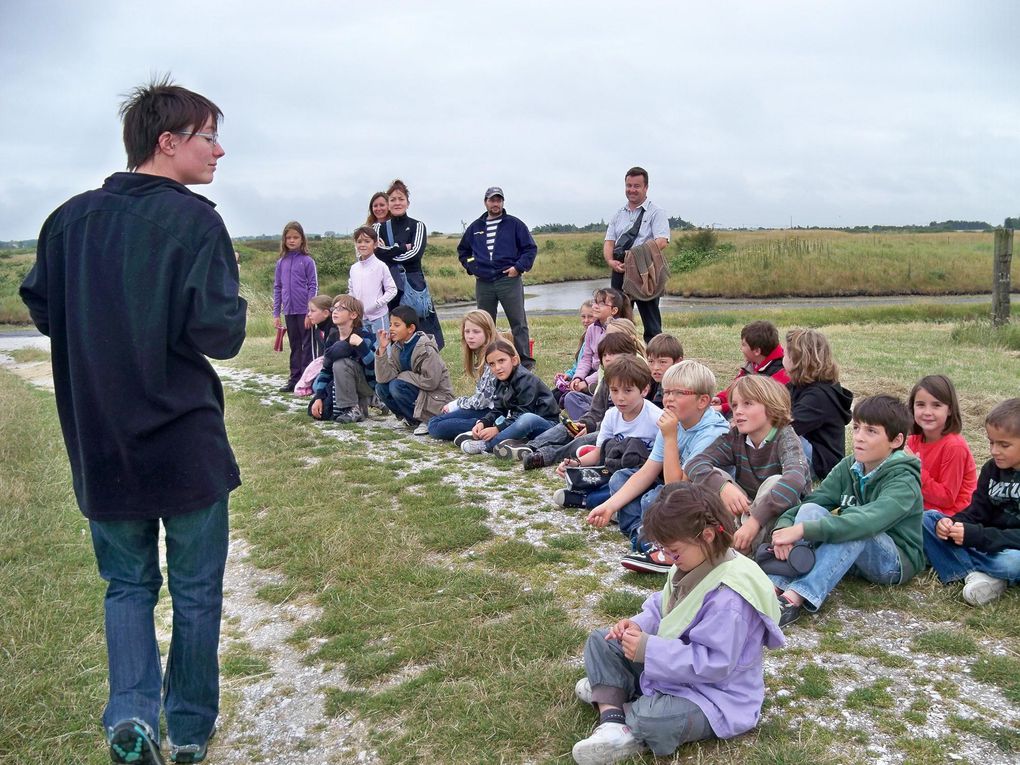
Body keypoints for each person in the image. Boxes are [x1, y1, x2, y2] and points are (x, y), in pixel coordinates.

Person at [20, 77, 246, 765]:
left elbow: (43, 308)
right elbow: (221, 332)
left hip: (101, 440)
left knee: (127, 585)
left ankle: (131, 715)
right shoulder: (195, 221)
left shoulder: (66, 222)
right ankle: (187, 730)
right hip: (184, 441)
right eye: (209, 136)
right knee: (197, 588)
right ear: (167, 141)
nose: (220, 150)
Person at [571, 483, 784, 765]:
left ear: (707, 536)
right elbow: (663, 608)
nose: (668, 557)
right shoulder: (690, 562)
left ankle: (615, 703)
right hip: (674, 670)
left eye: (672, 550)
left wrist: (649, 650)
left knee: (653, 717)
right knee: (602, 641)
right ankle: (613, 721)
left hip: (715, 696)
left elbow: (714, 664)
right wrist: (634, 626)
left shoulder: (730, 598)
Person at [768, 395, 924, 627]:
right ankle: (773, 585)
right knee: (812, 509)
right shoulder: (850, 466)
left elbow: (867, 522)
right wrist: (785, 528)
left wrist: (803, 530)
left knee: (853, 527)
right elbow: (814, 502)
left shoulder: (904, 480)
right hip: (854, 553)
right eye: (857, 428)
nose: (859, 437)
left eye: (871, 431)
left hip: (892, 561)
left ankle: (795, 598)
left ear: (896, 440)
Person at [587, 360, 730, 574]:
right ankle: (646, 537)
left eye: (679, 393)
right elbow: (648, 471)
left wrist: (670, 436)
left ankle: (659, 545)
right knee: (621, 478)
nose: (669, 399)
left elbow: (678, 489)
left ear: (703, 401)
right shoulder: (675, 420)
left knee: (653, 498)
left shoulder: (712, 432)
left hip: (701, 501)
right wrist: (609, 506)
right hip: (674, 489)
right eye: (667, 391)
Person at [686, 376, 811, 554]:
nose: (738, 411)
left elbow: (795, 479)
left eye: (747, 404)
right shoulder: (736, 437)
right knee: (713, 475)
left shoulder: (786, 437)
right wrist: (723, 487)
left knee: (775, 481)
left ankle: (740, 549)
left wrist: (755, 520)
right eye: (735, 405)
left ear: (771, 406)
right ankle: (733, 541)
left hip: (779, 522)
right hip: (744, 515)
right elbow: (695, 464)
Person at [922, 398, 1020, 606]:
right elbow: (977, 511)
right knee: (928, 519)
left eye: (1004, 445)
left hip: (1009, 549)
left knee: (1012, 563)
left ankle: (966, 568)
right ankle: (978, 577)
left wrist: (978, 536)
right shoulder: (991, 469)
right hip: (984, 544)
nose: (994, 451)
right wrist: (954, 523)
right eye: (991, 442)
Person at [519, 332, 644, 470]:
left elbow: (628, 421)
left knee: (588, 438)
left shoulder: (637, 380)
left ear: (629, 355)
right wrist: (585, 424)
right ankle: (529, 447)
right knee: (568, 427)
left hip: (619, 434)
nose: (607, 359)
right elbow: (595, 412)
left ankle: (547, 455)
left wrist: (592, 428)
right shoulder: (607, 381)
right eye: (604, 355)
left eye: (613, 354)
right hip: (601, 424)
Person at [552, 356, 663, 511]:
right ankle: (607, 502)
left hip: (646, 473)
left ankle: (587, 500)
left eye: (628, 390)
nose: (620, 397)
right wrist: (576, 464)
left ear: (644, 390)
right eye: (614, 390)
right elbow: (598, 453)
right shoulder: (611, 415)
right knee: (596, 475)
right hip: (616, 466)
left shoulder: (657, 418)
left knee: (622, 483)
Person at [457, 186, 538, 368]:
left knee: (518, 322)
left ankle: (525, 361)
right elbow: (464, 251)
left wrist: (518, 268)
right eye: (492, 200)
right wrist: (473, 266)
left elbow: (530, 249)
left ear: (502, 202)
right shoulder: (475, 227)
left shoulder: (514, 224)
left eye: (498, 200)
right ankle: (485, 360)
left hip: (508, 279)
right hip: (484, 282)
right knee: (484, 323)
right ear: (485, 202)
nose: (495, 203)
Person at [455, 339, 560, 456]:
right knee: (510, 420)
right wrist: (484, 422)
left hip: (547, 426)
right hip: (524, 427)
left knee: (527, 418)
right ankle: (515, 443)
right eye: (492, 364)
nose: (497, 367)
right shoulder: (500, 380)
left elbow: (523, 413)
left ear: (514, 360)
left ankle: (487, 445)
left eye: (501, 361)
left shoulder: (526, 379)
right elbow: (499, 409)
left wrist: (497, 429)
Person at [374, 179, 445, 348]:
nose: (397, 203)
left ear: (407, 202)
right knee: (393, 328)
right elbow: (377, 253)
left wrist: (389, 252)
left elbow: (415, 254)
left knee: (420, 326)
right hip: (388, 284)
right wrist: (400, 248)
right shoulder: (378, 228)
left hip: (412, 284)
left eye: (401, 199)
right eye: (393, 199)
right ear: (388, 203)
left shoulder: (417, 226)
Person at [603, 166, 670, 344]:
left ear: (646, 187)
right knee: (618, 318)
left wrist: (634, 256)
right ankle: (622, 357)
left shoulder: (657, 212)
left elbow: (662, 241)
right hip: (620, 268)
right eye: (628, 185)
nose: (632, 190)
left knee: (651, 319)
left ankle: (656, 358)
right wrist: (611, 261)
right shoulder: (618, 214)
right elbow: (609, 242)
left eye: (636, 186)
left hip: (644, 269)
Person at [783, 328, 853, 480]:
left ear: (796, 358)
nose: (783, 357)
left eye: (785, 353)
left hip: (822, 463)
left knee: (781, 433)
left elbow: (788, 426)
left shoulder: (819, 396)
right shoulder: (798, 386)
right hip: (808, 451)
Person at [374, 304, 454, 434]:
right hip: (418, 393)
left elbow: (431, 382)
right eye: (390, 324)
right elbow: (383, 378)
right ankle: (411, 420)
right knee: (381, 388)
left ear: (411, 328)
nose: (391, 329)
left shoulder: (425, 348)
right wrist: (382, 350)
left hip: (437, 398)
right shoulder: (397, 347)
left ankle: (427, 419)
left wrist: (404, 376)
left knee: (396, 385)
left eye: (397, 325)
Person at [906, 374, 978, 515]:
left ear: (950, 409)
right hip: (919, 508)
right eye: (920, 405)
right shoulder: (912, 442)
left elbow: (946, 498)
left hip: (949, 518)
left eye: (936, 405)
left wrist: (917, 471)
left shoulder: (954, 447)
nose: (927, 412)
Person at [427, 310, 501, 440]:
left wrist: (456, 404)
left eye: (476, 332)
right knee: (435, 422)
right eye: (467, 332)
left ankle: (486, 427)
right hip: (488, 409)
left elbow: (482, 401)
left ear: (488, 333)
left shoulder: (493, 357)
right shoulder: (483, 354)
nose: (470, 336)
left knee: (436, 426)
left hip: (495, 412)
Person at [308, 295, 377, 424]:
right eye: (334, 308)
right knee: (319, 386)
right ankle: (350, 406)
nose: (335, 311)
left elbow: (374, 367)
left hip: (367, 385)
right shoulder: (333, 338)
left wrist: (361, 346)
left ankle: (353, 408)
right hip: (343, 384)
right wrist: (318, 397)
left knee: (341, 364)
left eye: (340, 309)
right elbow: (326, 370)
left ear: (353, 315)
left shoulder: (364, 335)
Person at [566, 288, 632, 421]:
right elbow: (585, 358)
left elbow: (607, 367)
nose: (595, 306)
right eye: (596, 302)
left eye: (601, 304)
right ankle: (589, 422)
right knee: (568, 397)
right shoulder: (592, 329)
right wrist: (578, 377)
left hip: (607, 379)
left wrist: (587, 382)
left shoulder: (617, 331)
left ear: (614, 311)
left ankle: (594, 423)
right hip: (593, 374)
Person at [273, 220, 318, 392]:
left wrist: (310, 312)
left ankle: (307, 380)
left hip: (304, 312)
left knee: (307, 346)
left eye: (295, 237)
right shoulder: (281, 262)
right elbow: (277, 287)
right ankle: (294, 379)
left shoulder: (307, 261)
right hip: (289, 311)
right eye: (288, 238)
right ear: (284, 240)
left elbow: (313, 286)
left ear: (302, 239)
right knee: (294, 346)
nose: (292, 241)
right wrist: (276, 313)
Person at [713, 320, 790, 417]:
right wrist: (721, 398)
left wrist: (722, 408)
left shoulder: (780, 373)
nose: (741, 349)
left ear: (757, 351)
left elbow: (754, 401)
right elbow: (737, 388)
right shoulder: (752, 364)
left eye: (744, 345)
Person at [348, 225, 397, 337]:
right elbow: (351, 289)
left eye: (367, 241)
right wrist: (353, 306)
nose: (363, 245)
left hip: (378, 317)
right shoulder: (354, 268)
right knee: (365, 351)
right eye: (359, 241)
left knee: (382, 350)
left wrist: (377, 304)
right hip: (360, 318)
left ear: (375, 244)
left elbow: (392, 290)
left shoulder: (380, 266)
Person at [553, 300, 596, 405]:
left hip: (589, 384)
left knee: (557, 397)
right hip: (579, 379)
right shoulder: (584, 337)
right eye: (583, 316)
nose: (586, 320)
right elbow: (578, 365)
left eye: (590, 317)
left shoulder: (598, 339)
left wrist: (581, 382)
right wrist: (568, 375)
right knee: (550, 395)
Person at [294, 295, 335, 396]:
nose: (308, 314)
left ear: (326, 313)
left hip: (337, 369)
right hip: (327, 367)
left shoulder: (334, 330)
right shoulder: (318, 331)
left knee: (317, 386)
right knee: (315, 385)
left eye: (313, 311)